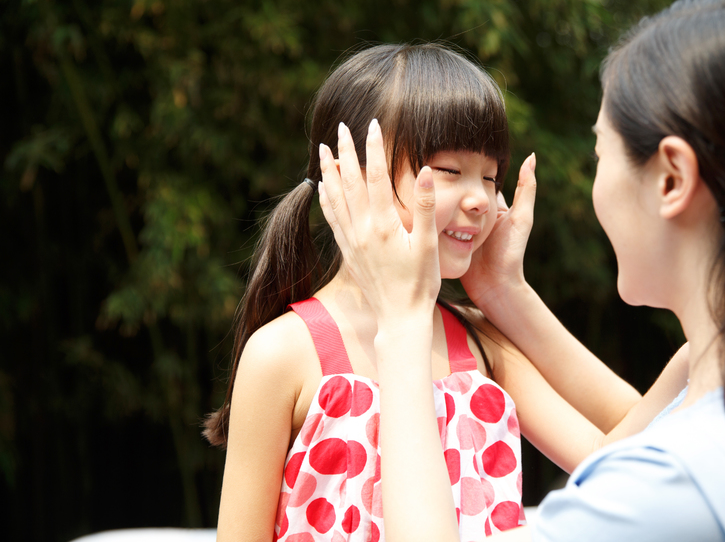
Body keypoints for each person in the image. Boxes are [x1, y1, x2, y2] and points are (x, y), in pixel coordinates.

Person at [316, 0, 725, 542]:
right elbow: (625, 439)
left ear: (671, 178)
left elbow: (635, 463)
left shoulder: (672, 488)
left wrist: (402, 319)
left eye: (601, 150)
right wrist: (503, 290)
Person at [204, 43, 690, 542]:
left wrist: (697, 353)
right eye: (450, 172)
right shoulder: (281, 353)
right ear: (347, 176)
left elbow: (621, 465)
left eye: (491, 175)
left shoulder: (478, 342)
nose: (480, 198)